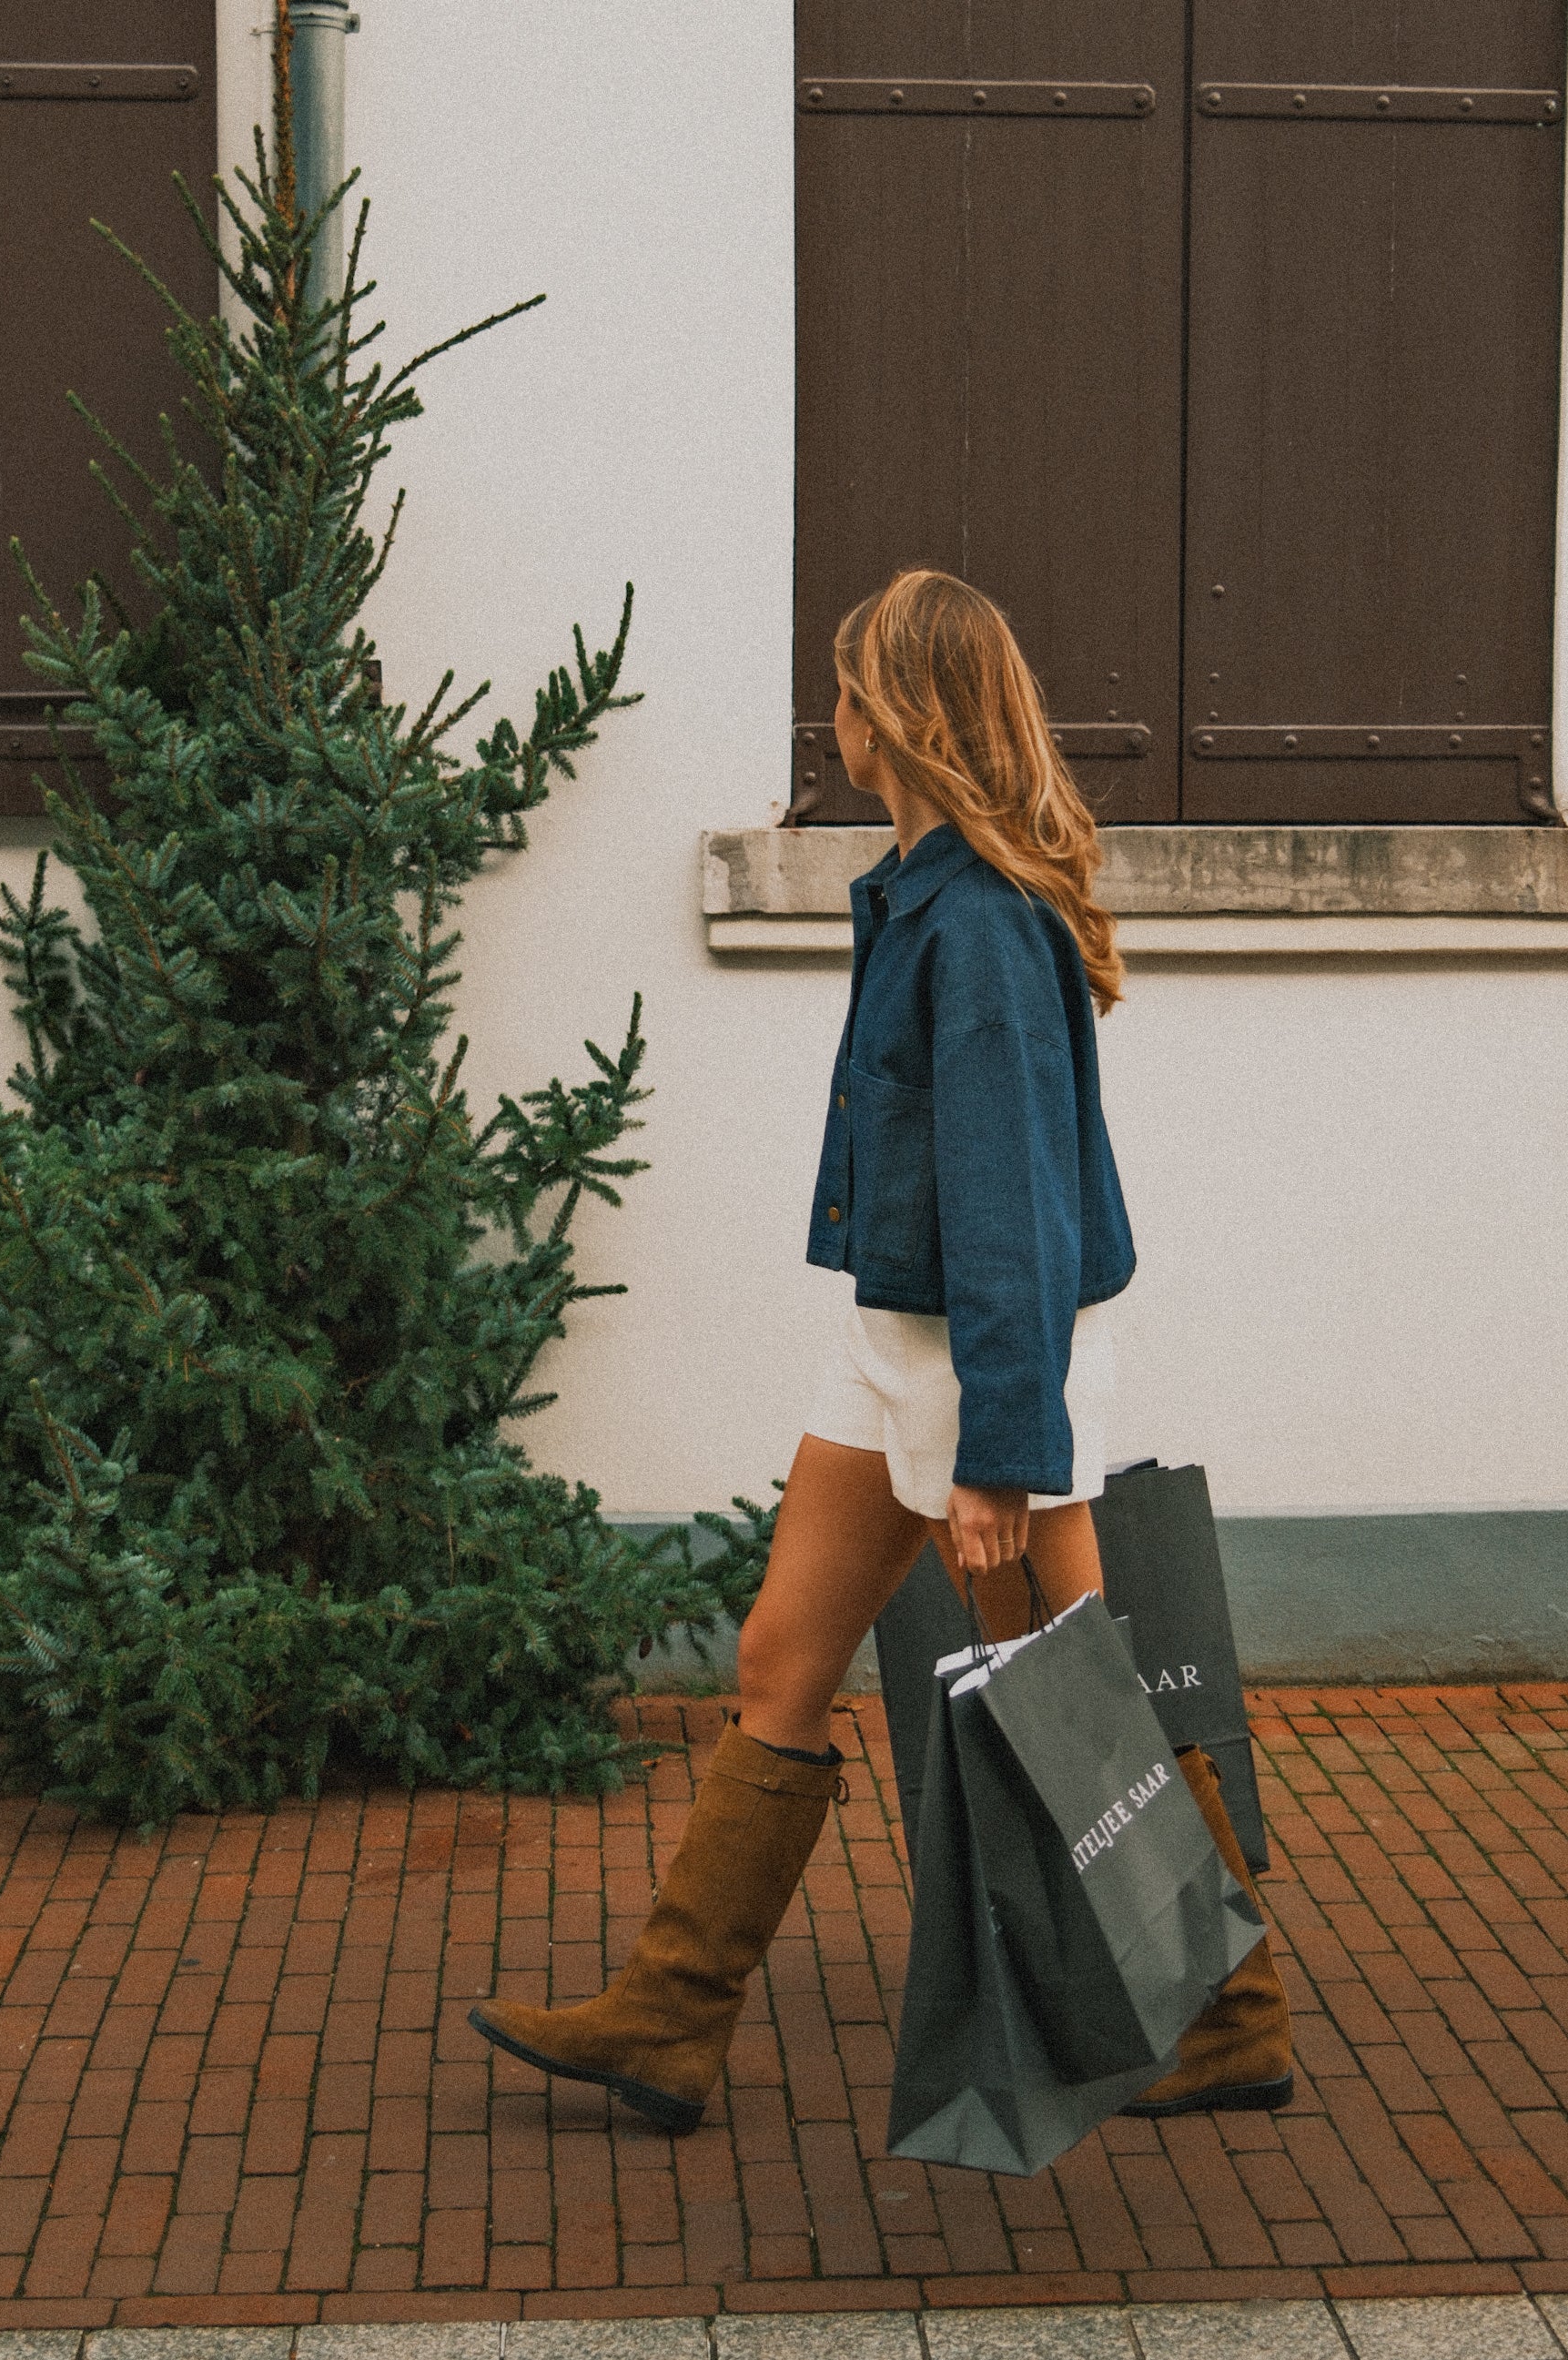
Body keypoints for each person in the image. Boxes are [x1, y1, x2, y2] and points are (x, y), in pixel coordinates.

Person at [469, 569, 1290, 2134]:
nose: (825, 714)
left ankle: (1227, 2011)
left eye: (840, 687)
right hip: (900, 1340)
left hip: (977, 1357)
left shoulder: (975, 923)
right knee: (784, 1654)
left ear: (892, 714)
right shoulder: (929, 889)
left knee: (1071, 1693)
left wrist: (998, 1446)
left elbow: (1011, 1205)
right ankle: (668, 2015)